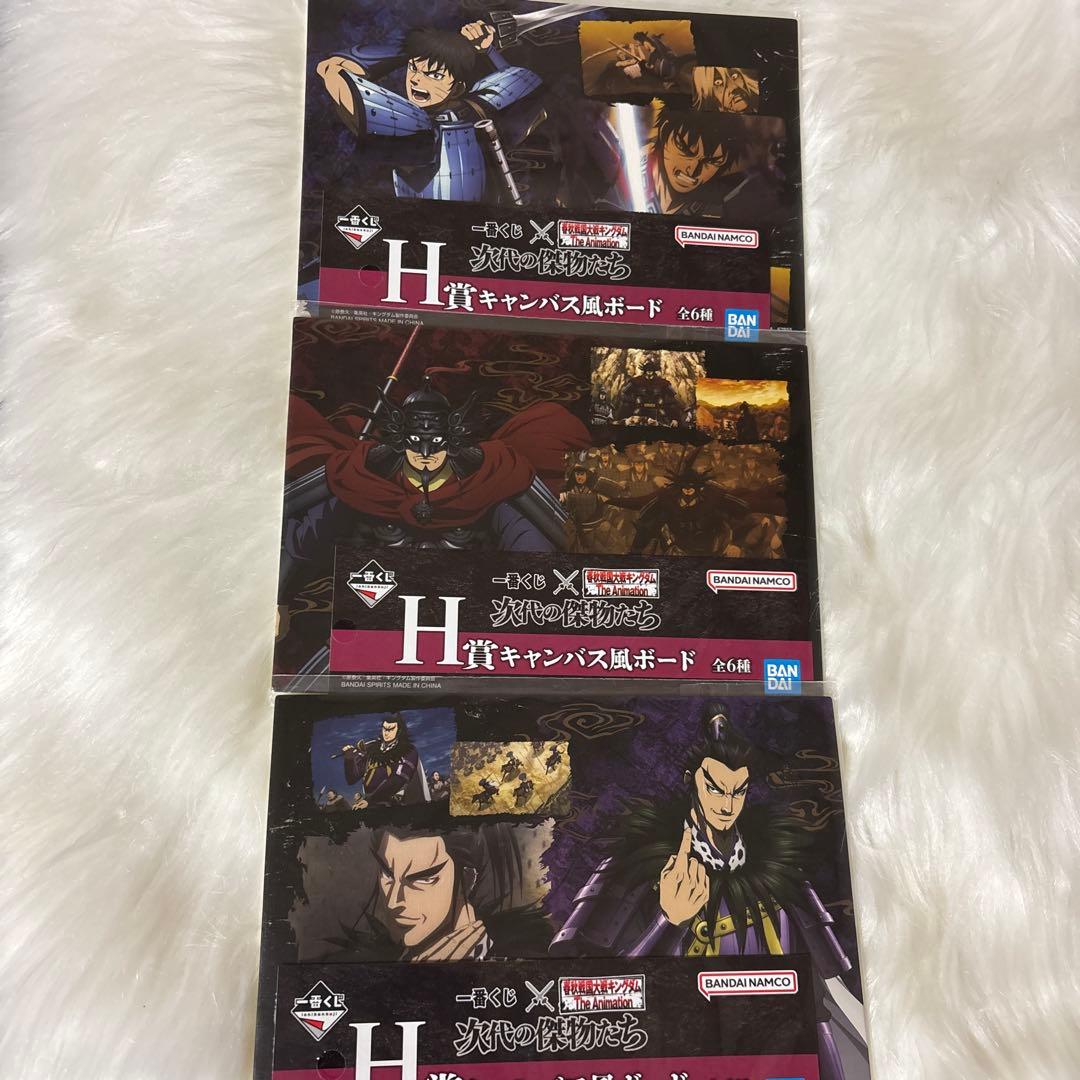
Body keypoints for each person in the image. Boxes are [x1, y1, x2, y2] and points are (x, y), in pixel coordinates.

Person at [550, 710, 866, 1080]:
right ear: (692, 782)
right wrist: (668, 922)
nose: (727, 805)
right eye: (715, 788)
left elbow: (820, 1002)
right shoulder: (636, 866)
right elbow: (588, 996)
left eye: (738, 791)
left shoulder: (782, 875)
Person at [316, 23, 542, 203]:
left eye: (434, 76)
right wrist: (421, 50)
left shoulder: (415, 124)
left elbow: (332, 68)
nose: (416, 79)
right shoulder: (479, 105)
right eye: (413, 68)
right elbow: (520, 77)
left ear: (458, 87)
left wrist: (416, 51)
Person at [331, 825, 552, 961]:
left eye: (421, 878)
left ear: (467, 879)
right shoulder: (359, 962)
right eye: (388, 874)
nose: (394, 901)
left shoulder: (526, 953)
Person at [340, 713, 428, 808]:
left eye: (391, 729)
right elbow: (352, 779)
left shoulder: (408, 751)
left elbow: (398, 780)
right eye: (384, 729)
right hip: (369, 802)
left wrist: (370, 800)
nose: (386, 733)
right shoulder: (372, 748)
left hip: (393, 803)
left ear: (399, 730)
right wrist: (349, 760)